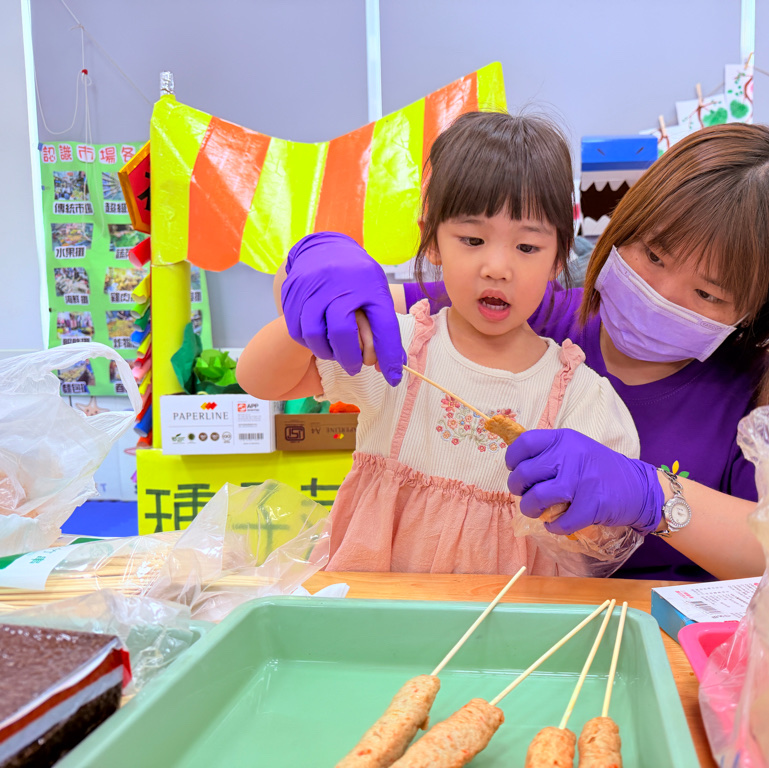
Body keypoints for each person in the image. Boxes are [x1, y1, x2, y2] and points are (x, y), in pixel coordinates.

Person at [272, 123, 769, 582]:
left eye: (708, 293)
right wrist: (313, 264)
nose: (660, 293)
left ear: (759, 310)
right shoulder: (521, 314)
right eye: (654, 255)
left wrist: (654, 496)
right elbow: (341, 316)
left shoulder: (764, 402)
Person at [237, 111, 640, 576]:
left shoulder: (578, 394)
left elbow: (605, 539)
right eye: (472, 239)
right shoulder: (399, 345)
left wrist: (579, 511)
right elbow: (259, 381)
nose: (497, 267)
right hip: (374, 604)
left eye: (527, 247)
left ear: (558, 259)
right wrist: (304, 317)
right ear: (432, 242)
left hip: (506, 614)